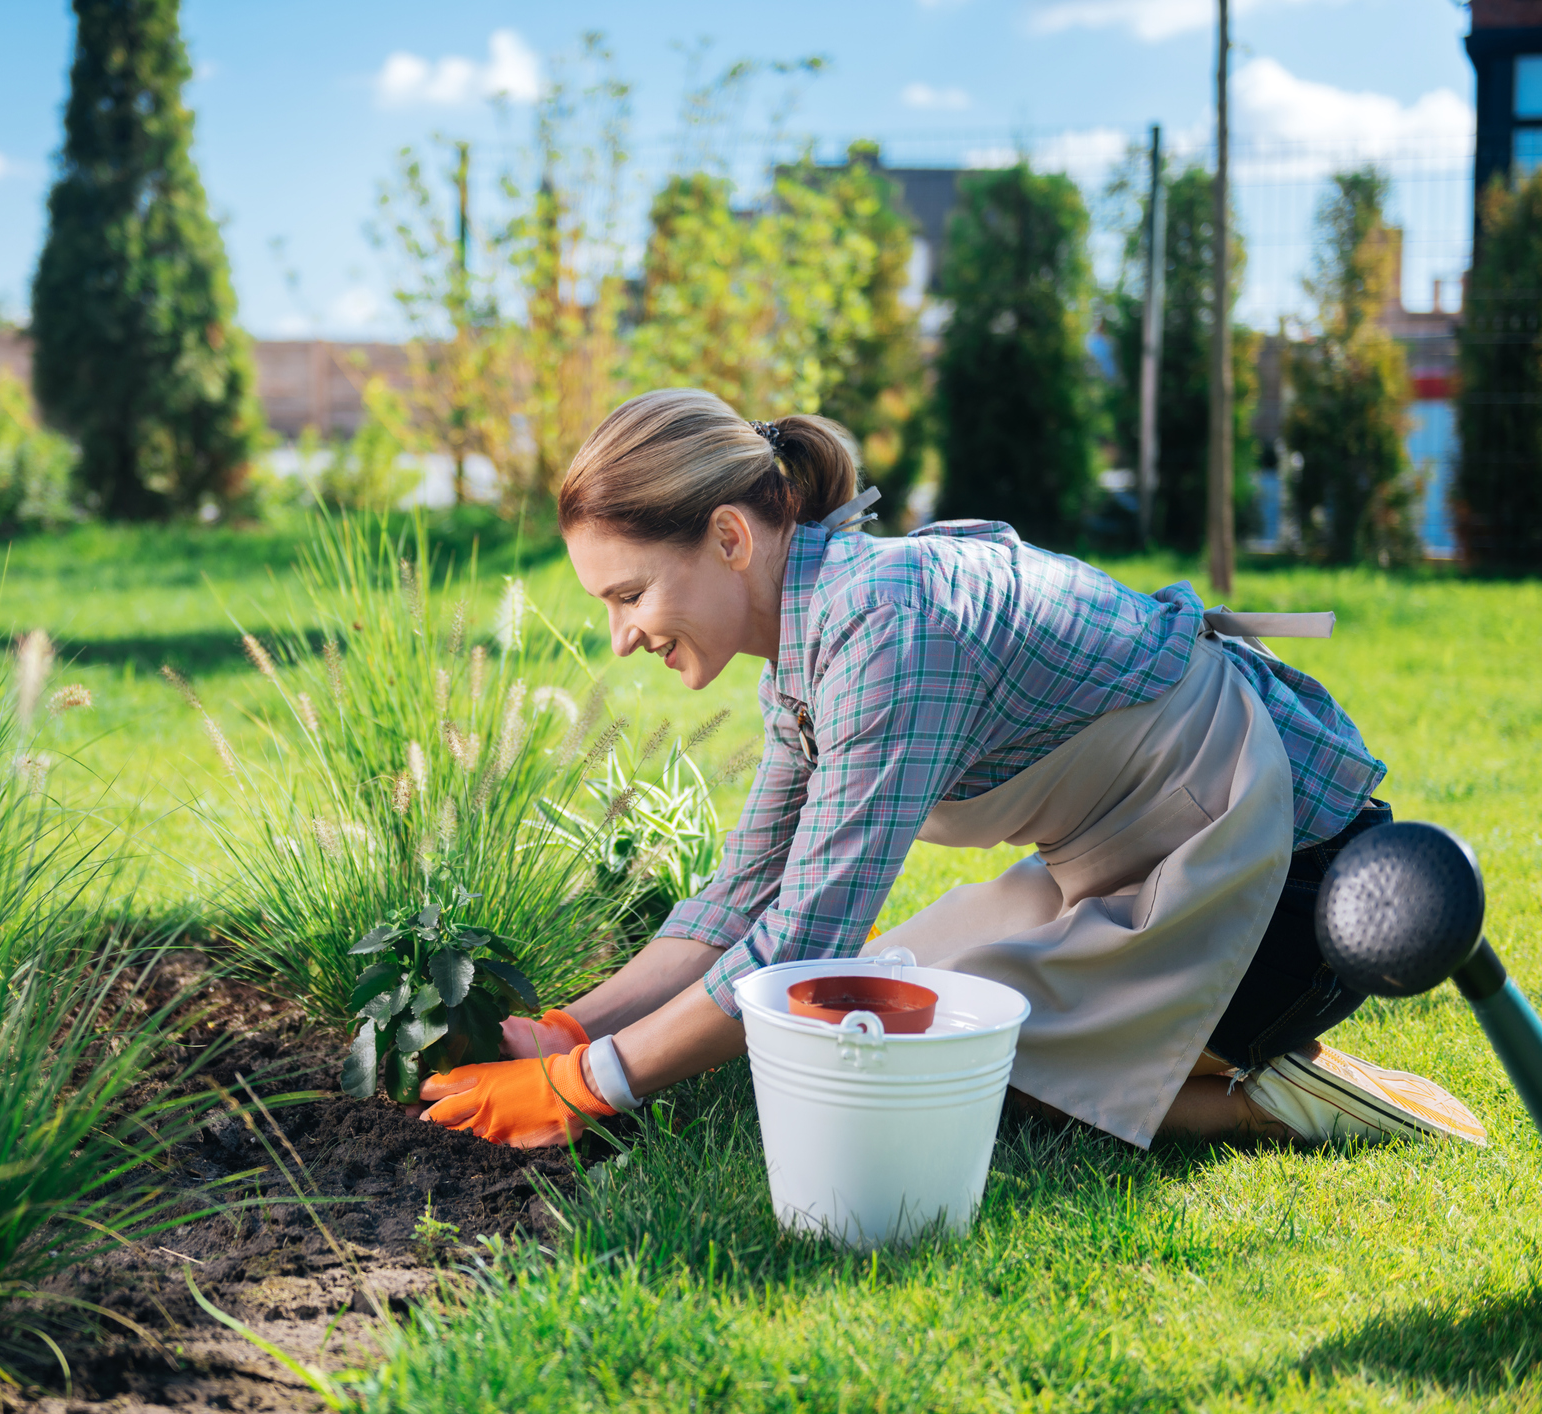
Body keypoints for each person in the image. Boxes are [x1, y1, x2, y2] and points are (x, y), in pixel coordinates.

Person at [416, 388, 1487, 1152]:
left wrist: (584, 1086)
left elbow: (798, 943)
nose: (620, 636)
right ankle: (1190, 1056)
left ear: (731, 539)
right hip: (1144, 859)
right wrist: (567, 1027)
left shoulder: (886, 629)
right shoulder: (805, 651)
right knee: (868, 1025)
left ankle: (1281, 1099)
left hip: (1292, 888)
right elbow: (740, 898)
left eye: (628, 595)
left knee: (942, 1064)